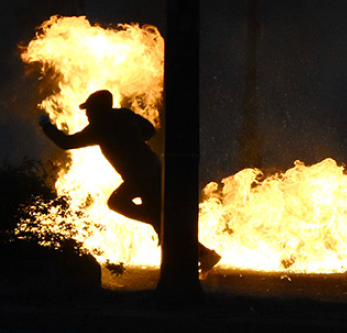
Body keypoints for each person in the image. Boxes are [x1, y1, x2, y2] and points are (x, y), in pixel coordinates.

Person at [39, 89, 221, 276]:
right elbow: (149, 130)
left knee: (129, 208)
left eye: (89, 109)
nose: (87, 114)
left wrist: (46, 125)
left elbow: (67, 143)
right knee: (161, 220)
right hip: (151, 168)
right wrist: (130, 136)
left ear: (96, 109)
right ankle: (202, 254)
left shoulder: (100, 125)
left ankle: (194, 260)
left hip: (139, 175)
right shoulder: (123, 115)